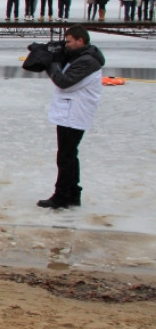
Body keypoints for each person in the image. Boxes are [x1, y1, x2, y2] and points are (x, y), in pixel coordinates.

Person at [34, 25, 104, 209]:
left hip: (75, 114)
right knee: (70, 155)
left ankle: (61, 196)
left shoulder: (87, 61)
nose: (66, 45)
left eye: (69, 41)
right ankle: (73, 193)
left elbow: (64, 82)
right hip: (71, 112)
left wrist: (49, 62)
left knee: (65, 156)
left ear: (80, 41)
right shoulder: (82, 57)